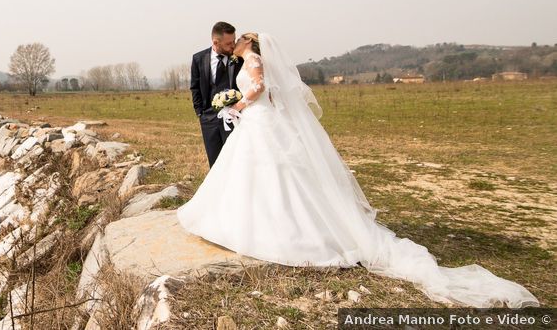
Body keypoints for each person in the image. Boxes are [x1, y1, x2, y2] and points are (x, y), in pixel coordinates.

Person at [177, 32, 539, 308]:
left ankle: (284, 228)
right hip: (258, 122)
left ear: (247, 43)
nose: (235, 44)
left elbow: (257, 87)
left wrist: (236, 102)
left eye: (238, 40)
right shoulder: (248, 59)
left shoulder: (253, 58)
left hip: (259, 121)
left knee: (275, 175)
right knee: (258, 174)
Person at [190, 21, 243, 167]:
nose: (233, 46)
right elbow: (194, 87)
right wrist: (200, 113)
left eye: (234, 41)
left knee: (235, 160)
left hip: (234, 117)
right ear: (216, 42)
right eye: (228, 43)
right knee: (215, 163)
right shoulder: (198, 59)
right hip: (208, 119)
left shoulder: (239, 58)